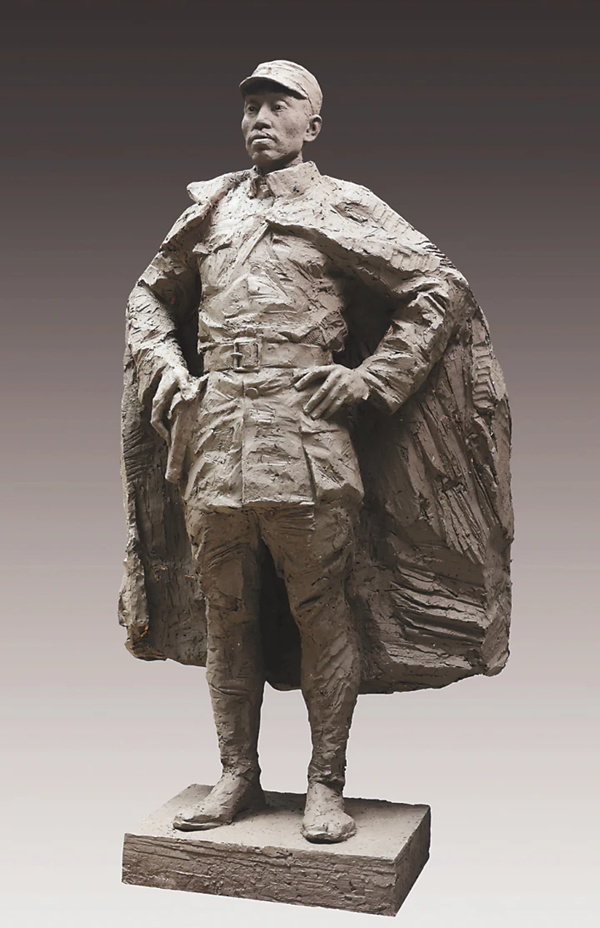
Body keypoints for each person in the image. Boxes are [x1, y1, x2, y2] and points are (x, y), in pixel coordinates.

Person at [121, 60, 513, 844]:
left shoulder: (345, 207)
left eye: (279, 106)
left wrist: (373, 378)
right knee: (226, 616)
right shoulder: (213, 209)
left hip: (305, 439)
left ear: (313, 125)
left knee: (322, 612)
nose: (261, 119)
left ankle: (325, 783)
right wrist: (166, 370)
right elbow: (147, 297)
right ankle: (236, 775)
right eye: (251, 108)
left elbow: (437, 289)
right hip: (218, 437)